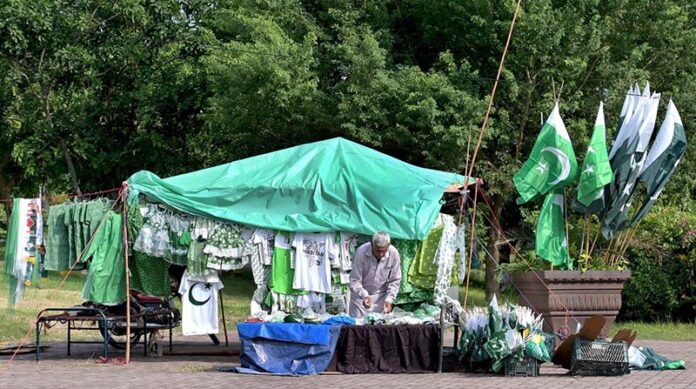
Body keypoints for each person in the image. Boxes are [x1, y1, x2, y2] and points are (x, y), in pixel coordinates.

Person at [348, 231, 401, 317]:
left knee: (378, 327)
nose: (381, 254)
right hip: (360, 298)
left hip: (381, 298)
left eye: (384, 251)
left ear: (388, 246)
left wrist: (389, 300)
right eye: (377, 250)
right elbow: (355, 280)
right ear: (372, 244)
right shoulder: (361, 252)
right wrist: (364, 295)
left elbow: (395, 280)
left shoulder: (394, 254)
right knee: (358, 328)